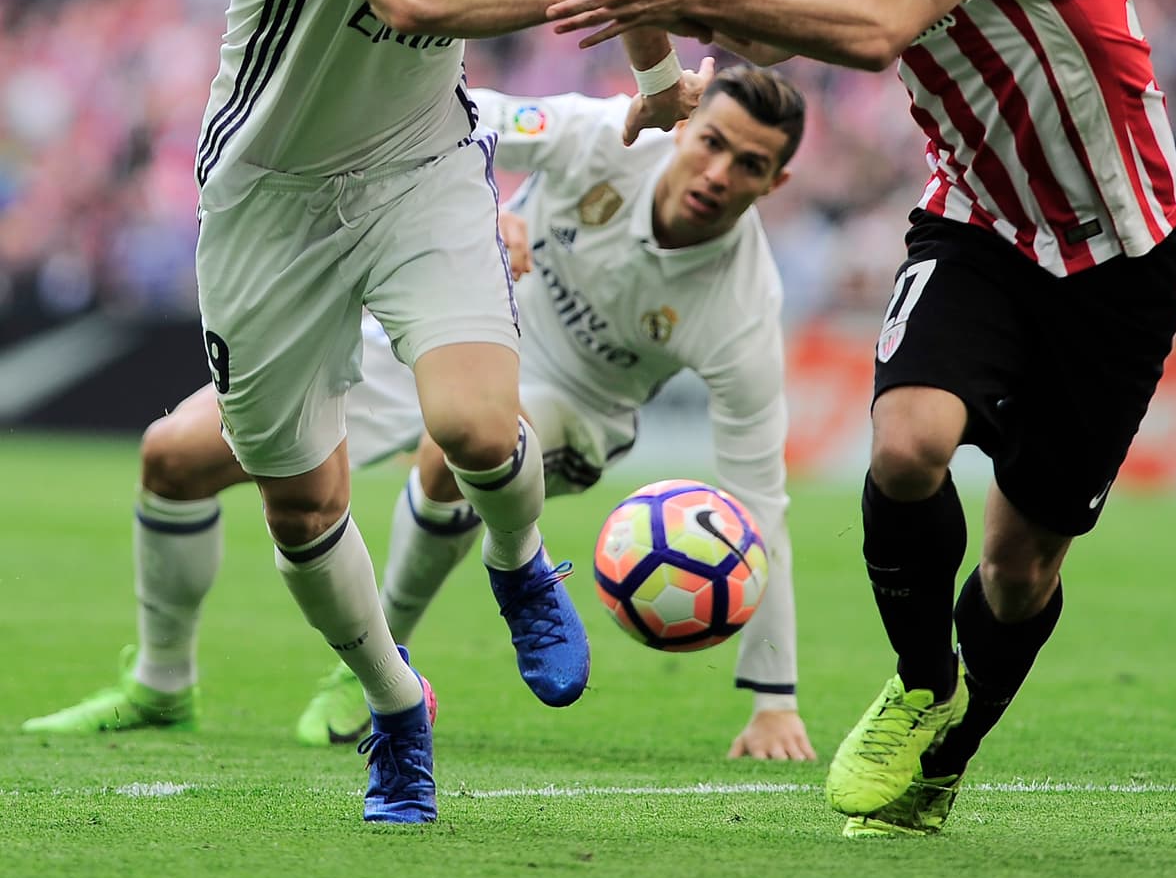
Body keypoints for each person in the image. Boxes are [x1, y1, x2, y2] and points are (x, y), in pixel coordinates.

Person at [546, 0, 1176, 838]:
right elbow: (740, 25)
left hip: (1119, 257)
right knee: (903, 448)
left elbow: (871, 28)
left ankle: (949, 753)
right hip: (978, 227)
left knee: (1017, 569)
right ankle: (915, 681)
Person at [170, 0, 706, 825]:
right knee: (301, 504)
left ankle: (520, 566)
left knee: (470, 425)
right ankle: (394, 704)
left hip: (421, 167)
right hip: (267, 200)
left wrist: (659, 88)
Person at [23, 67, 816, 763]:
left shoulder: (743, 305)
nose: (717, 171)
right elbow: (465, 111)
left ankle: (375, 661)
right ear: (684, 125)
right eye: (709, 141)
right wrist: (474, 202)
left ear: (775, 184)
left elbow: (759, 499)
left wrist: (773, 696)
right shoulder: (604, 133)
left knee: (459, 445)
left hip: (573, 410)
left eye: (749, 164)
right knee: (172, 455)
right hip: (450, 331)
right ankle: (163, 685)